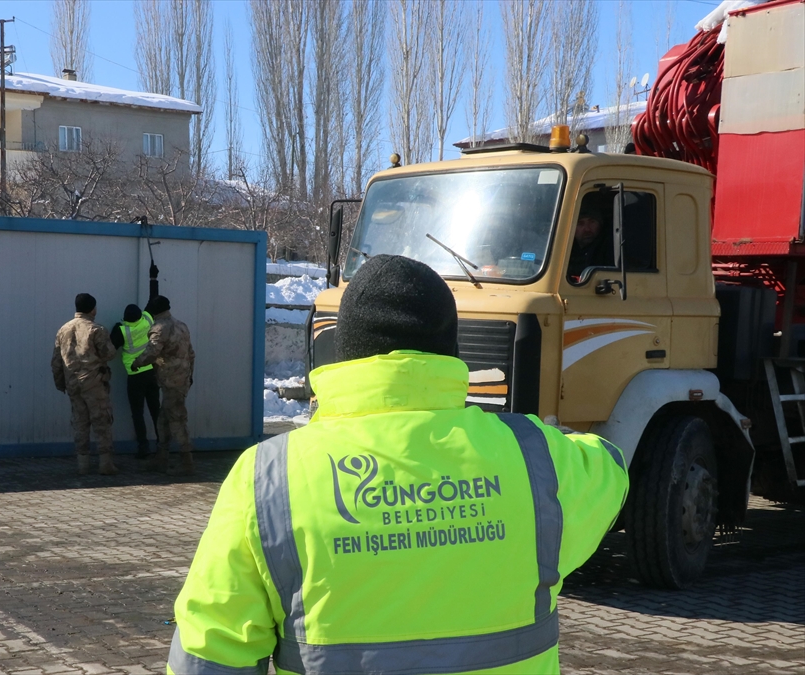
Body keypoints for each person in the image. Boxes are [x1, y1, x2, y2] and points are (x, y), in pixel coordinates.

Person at [167, 254, 629, 674]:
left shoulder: (267, 477)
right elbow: (610, 466)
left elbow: (212, 655)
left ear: (344, 349)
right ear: (451, 350)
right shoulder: (538, 457)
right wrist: (550, 436)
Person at [51, 293, 118, 476]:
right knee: (102, 422)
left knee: (80, 423)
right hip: (94, 383)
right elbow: (109, 354)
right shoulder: (96, 330)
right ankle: (105, 464)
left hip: (73, 384)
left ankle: (83, 465)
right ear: (93, 309)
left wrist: (61, 383)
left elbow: (56, 361)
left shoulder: (63, 330)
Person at [131, 295, 195, 475]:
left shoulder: (160, 328)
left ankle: (187, 462)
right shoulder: (182, 326)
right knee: (164, 419)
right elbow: (191, 354)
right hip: (181, 379)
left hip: (170, 381)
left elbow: (152, 352)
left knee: (177, 419)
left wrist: (136, 363)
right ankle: (162, 457)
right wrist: (190, 375)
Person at [111, 262, 162, 468]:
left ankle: (143, 447)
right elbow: (153, 299)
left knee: (138, 412)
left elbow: (109, 349)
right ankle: (162, 444)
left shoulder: (121, 329)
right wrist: (153, 277)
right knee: (155, 410)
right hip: (152, 372)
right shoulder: (148, 319)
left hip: (135, 376)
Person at [567, 209, 614, 282]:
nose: (587, 229)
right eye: (580, 223)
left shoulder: (610, 251)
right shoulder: (563, 251)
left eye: (592, 222)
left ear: (600, 225)